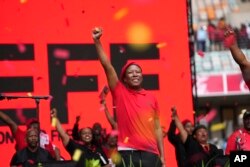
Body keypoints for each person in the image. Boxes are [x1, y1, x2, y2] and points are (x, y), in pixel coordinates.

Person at [92, 27, 165, 167]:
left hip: (151, 154)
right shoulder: (120, 92)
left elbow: (157, 128)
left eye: (138, 72)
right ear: (124, 79)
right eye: (131, 72)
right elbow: (107, 66)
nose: (135, 74)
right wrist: (97, 41)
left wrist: (162, 156)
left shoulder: (152, 97)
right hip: (128, 152)